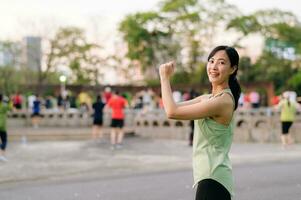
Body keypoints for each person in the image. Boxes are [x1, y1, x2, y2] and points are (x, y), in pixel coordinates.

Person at [159, 45, 241, 200]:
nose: (214, 67)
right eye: (211, 61)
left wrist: (164, 77)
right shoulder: (207, 98)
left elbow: (172, 112)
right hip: (210, 177)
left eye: (222, 63)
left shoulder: (223, 101)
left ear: (232, 69)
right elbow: (171, 108)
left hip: (213, 178)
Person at [0, 94, 12, 162]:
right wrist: (9, 101)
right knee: (4, 141)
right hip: (2, 127)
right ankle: (2, 155)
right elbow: (10, 108)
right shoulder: (4, 105)